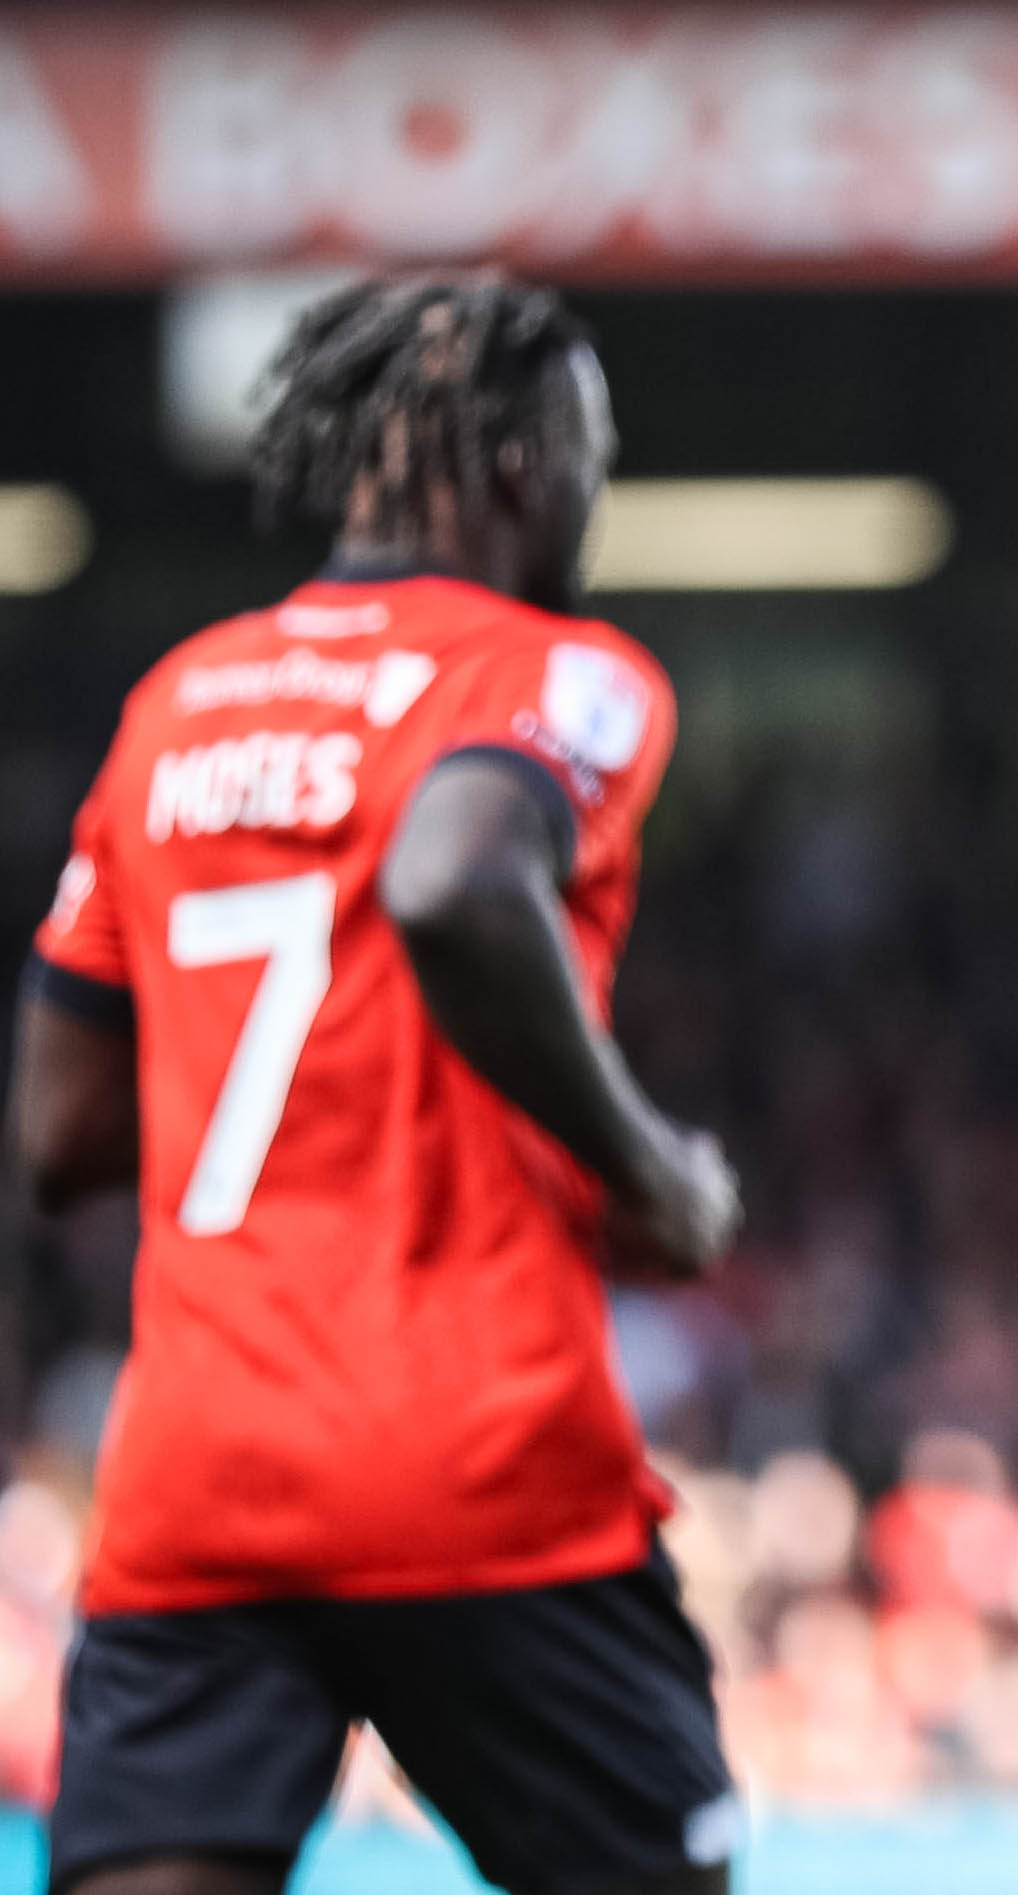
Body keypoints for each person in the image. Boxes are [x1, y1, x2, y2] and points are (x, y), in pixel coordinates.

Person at [9, 273, 744, 1895]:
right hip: (476, 1459)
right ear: (509, 463)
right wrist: (650, 1171)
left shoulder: (176, 707)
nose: (591, 497)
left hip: (198, 1479)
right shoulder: (559, 673)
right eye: (586, 455)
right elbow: (455, 879)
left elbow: (58, 1133)